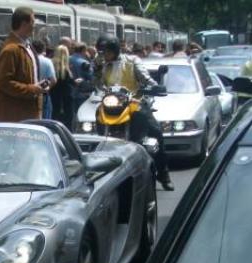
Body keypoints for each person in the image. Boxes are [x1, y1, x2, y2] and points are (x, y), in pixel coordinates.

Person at [94, 35, 174, 191]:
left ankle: (164, 174)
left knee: (156, 131)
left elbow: (146, 78)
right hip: (111, 104)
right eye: (102, 52)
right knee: (93, 122)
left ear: (115, 50)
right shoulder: (102, 65)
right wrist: (94, 75)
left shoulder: (132, 61)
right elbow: (97, 85)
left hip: (133, 102)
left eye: (106, 52)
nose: (104, 55)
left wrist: (153, 86)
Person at [0, 7, 44, 122]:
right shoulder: (10, 49)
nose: (34, 26)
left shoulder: (27, 46)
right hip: (14, 117)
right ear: (24, 24)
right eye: (33, 22)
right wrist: (31, 89)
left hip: (28, 113)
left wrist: (39, 87)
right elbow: (3, 82)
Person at [51, 45, 77, 131]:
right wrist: (76, 82)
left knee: (55, 115)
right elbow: (70, 83)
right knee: (68, 118)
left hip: (54, 95)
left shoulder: (52, 66)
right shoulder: (66, 70)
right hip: (67, 97)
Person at [32, 40, 56, 120]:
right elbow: (53, 80)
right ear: (43, 49)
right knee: (45, 121)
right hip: (44, 95)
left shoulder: (27, 60)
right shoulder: (47, 61)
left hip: (29, 93)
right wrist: (43, 88)